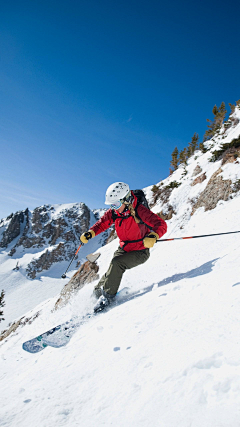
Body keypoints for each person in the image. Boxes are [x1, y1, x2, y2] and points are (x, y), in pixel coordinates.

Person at [80, 182, 167, 312]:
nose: (113, 208)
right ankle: (96, 295)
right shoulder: (115, 212)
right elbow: (103, 223)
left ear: (126, 200)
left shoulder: (139, 210)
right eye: (111, 205)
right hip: (124, 248)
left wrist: (153, 236)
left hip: (140, 251)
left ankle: (107, 298)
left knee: (117, 264)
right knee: (109, 274)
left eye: (116, 204)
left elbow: (160, 224)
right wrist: (90, 233)